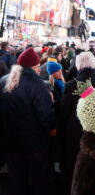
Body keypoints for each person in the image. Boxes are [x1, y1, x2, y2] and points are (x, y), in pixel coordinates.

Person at [0, 47, 55, 195]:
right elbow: (46, 118)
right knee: (38, 181)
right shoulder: (38, 85)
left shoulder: (3, 81)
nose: (39, 70)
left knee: (16, 181)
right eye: (38, 67)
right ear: (34, 66)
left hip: (10, 143)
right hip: (34, 145)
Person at [59, 51, 95, 191]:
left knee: (75, 171)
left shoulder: (70, 86)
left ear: (78, 66)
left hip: (75, 136)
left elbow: (63, 114)